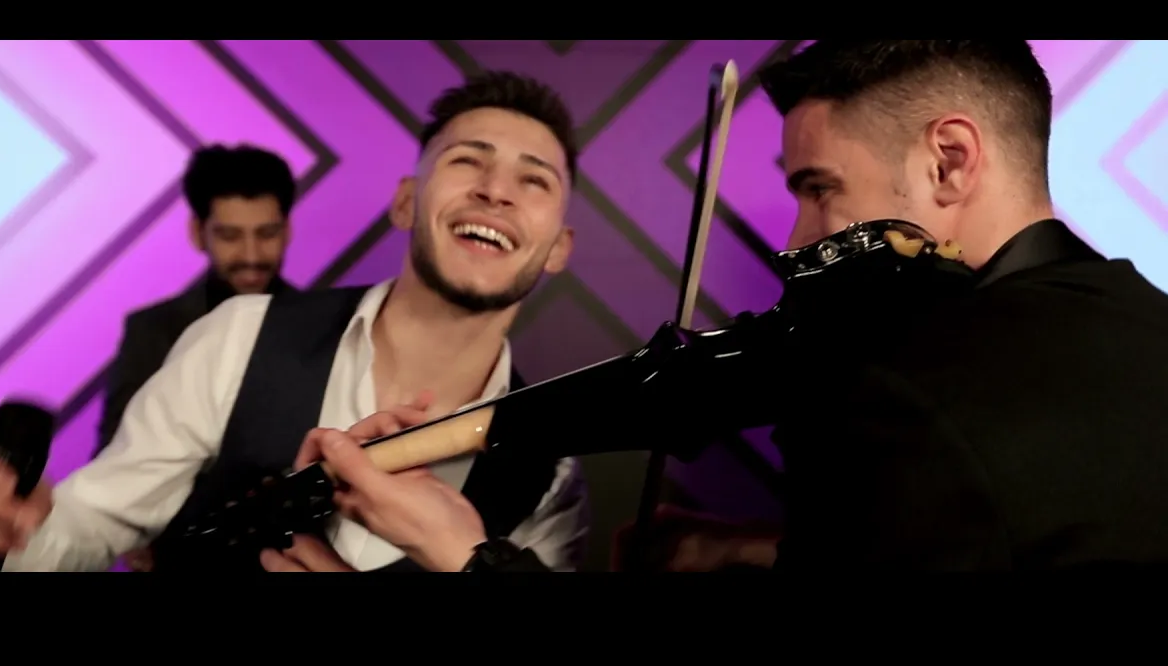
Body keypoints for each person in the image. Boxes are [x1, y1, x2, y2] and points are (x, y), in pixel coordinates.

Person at [270, 40, 1168, 572]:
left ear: (949, 160)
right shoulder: (1139, 320)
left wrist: (467, 557)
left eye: (819, 188)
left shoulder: (906, 397)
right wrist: (766, 549)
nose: (795, 236)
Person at [0, 71, 590, 573]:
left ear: (559, 246)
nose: (496, 191)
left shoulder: (551, 475)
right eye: (467, 160)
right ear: (407, 202)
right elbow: (90, 521)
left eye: (534, 180)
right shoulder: (240, 335)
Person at [96, 144, 299, 456]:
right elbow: (116, 459)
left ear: (287, 231)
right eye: (230, 236)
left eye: (267, 233)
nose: (251, 255)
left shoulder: (328, 324)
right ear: (197, 233)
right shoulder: (152, 332)